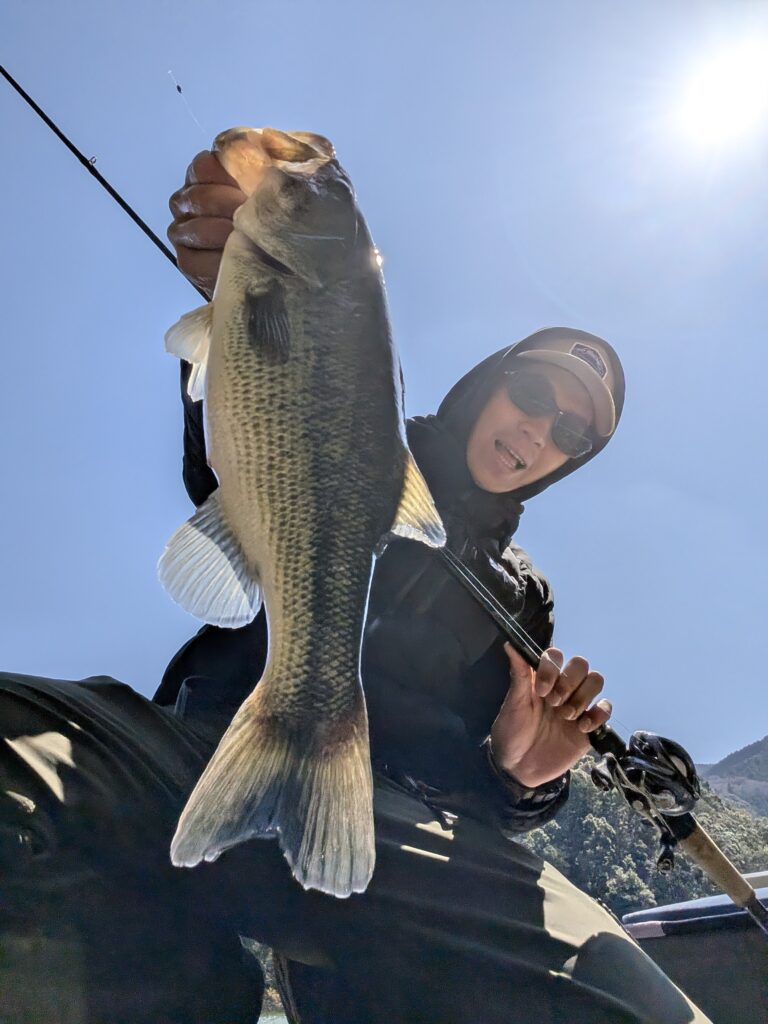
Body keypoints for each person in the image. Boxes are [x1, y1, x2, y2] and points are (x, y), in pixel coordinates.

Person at [0, 148, 711, 1024]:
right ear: (492, 381)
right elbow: (224, 453)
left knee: (625, 1002)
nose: (538, 429)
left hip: (389, 835)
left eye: (572, 432)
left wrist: (522, 777)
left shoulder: (524, 601)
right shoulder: (357, 396)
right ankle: (177, 978)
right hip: (198, 752)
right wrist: (232, 286)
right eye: (532, 390)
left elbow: (492, 802)